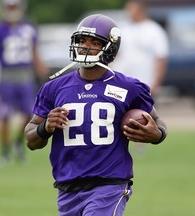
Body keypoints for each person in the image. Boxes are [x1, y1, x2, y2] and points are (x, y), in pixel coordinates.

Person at [24, 14, 168, 216]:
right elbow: (31, 139)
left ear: (110, 47)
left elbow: (158, 121)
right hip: (68, 188)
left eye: (94, 42)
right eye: (82, 41)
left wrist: (158, 134)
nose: (85, 47)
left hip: (109, 185)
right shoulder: (53, 88)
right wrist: (45, 127)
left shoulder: (129, 87)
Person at [0, 0, 48, 164]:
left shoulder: (29, 27)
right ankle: (4, 152)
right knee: (3, 115)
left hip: (25, 75)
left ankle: (17, 144)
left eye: (14, 7)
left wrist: (41, 70)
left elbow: (35, 51)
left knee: (30, 113)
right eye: (9, 7)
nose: (12, 10)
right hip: (6, 75)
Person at [111, 0, 169, 97]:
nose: (128, 12)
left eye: (131, 9)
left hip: (144, 84)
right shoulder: (123, 29)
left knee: (142, 112)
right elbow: (115, 55)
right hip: (121, 84)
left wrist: (156, 83)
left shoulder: (154, 30)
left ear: (141, 10)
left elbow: (161, 58)